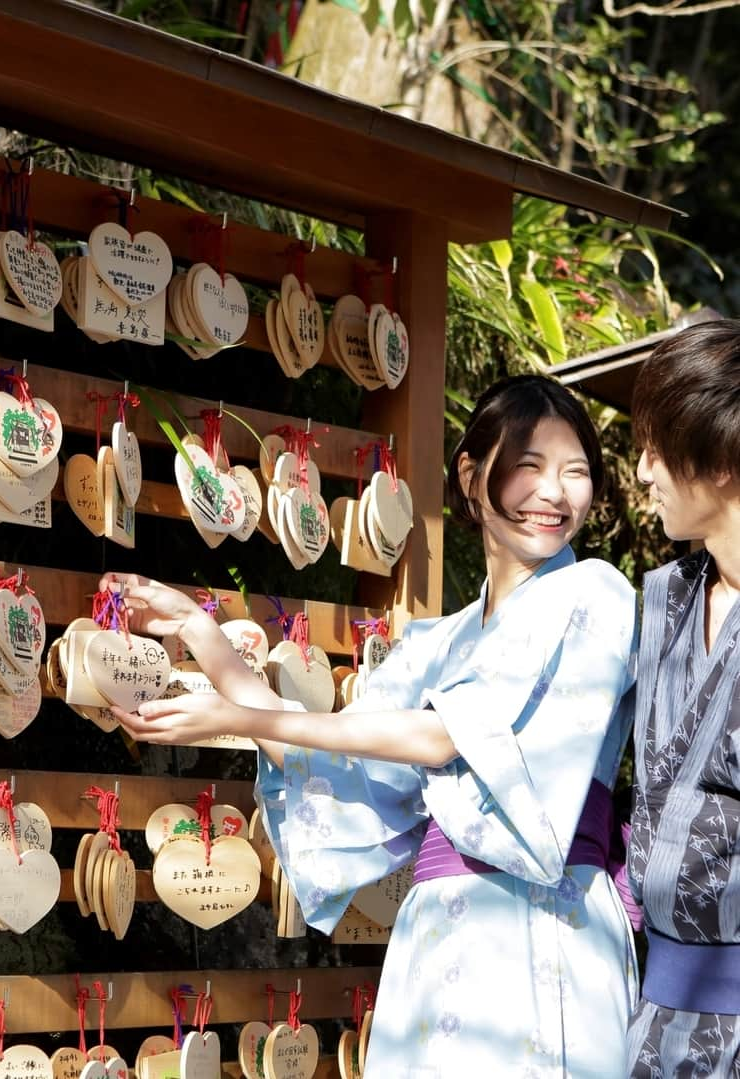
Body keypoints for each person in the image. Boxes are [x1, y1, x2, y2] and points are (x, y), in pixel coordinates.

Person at [105, 374, 640, 1078]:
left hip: (552, 931)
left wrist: (239, 713)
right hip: (443, 935)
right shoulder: (433, 645)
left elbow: (447, 736)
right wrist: (204, 638)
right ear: (474, 477)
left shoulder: (596, 593)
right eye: (530, 466)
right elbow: (332, 759)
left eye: (576, 473)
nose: (555, 493)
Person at [623, 320, 740, 1078]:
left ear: (724, 457)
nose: (641, 471)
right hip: (653, 1017)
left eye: (658, 450)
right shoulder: (662, 599)